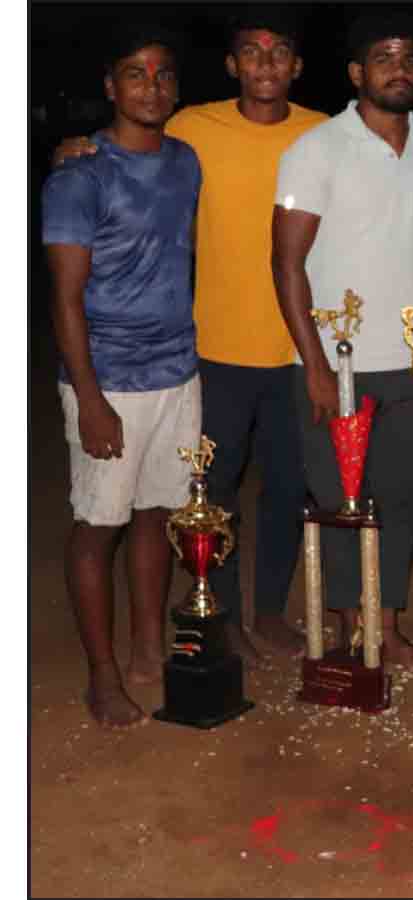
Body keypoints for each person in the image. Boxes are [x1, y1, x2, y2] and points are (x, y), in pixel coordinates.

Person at [50, 11, 327, 661]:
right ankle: (212, 619)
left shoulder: (315, 134)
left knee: (280, 489)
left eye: (278, 52)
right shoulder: (186, 129)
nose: (264, 64)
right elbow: (114, 155)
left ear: (297, 65)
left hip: (278, 350)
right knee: (201, 497)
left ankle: (260, 615)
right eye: (250, 52)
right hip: (205, 351)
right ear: (231, 65)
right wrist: (71, 147)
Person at [42, 26, 203, 728]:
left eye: (163, 74)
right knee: (97, 524)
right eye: (135, 73)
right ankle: (102, 676)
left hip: (179, 370)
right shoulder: (79, 177)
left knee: (157, 514)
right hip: (107, 377)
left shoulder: (186, 160)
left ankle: (146, 650)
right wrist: (90, 399)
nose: (151, 86)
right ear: (111, 86)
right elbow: (64, 298)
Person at [272, 13, 413, 666]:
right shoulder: (316, 149)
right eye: (383, 58)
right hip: (338, 365)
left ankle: (386, 629)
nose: (399, 70)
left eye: (409, 59)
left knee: (402, 499)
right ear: (356, 73)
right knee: (341, 503)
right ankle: (349, 633)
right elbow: (286, 263)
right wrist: (314, 365)